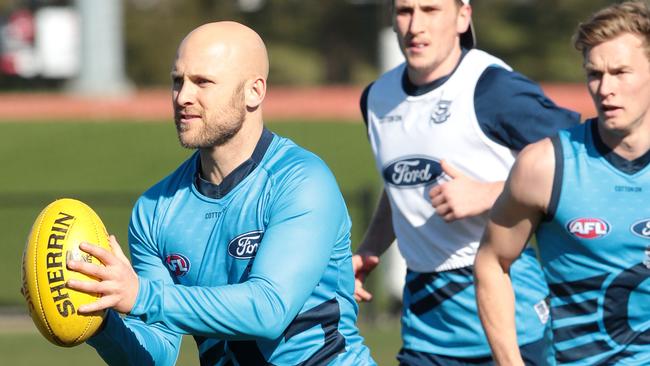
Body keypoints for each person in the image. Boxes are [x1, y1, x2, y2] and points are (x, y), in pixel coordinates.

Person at [65, 21, 376, 366]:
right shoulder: (154, 210)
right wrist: (97, 318)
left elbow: (268, 310)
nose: (183, 96)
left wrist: (142, 295)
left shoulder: (302, 180)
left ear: (254, 92)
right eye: (177, 80)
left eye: (203, 82)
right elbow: (157, 354)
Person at [354, 0, 581, 364]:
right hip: (426, 320)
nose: (415, 26)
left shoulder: (493, 88)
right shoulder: (376, 100)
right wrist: (369, 249)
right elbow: (403, 181)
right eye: (404, 11)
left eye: (430, 10)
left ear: (463, 17)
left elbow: (580, 159)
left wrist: (492, 193)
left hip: (510, 310)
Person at [474, 1, 650, 364]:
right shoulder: (546, 165)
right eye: (595, 74)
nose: (605, 89)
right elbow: (492, 262)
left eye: (620, 72)